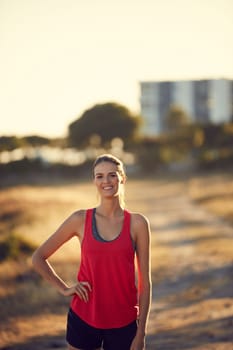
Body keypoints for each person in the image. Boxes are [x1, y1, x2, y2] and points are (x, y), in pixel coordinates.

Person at [32, 154, 152, 350]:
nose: (106, 181)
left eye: (112, 175)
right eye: (100, 176)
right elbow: (38, 258)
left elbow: (145, 283)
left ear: (122, 178)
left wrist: (141, 334)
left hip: (124, 321)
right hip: (84, 317)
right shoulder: (80, 219)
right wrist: (64, 289)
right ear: (94, 181)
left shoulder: (138, 223)